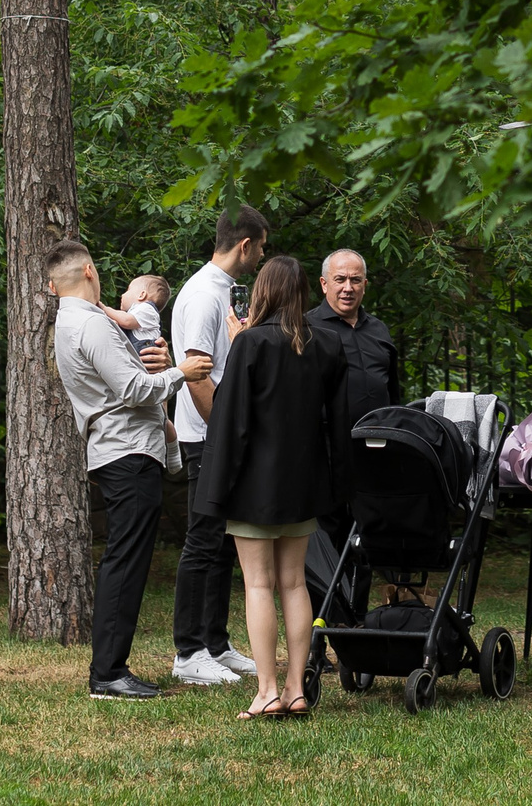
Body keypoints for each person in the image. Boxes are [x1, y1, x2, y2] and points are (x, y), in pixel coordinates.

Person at [46, 240, 212, 700]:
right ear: (90, 271)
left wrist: (160, 365)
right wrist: (182, 372)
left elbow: (129, 378)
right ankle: (108, 673)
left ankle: (110, 668)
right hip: (127, 450)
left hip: (119, 447)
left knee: (125, 558)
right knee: (125, 561)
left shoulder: (77, 321)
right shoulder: (90, 324)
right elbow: (135, 390)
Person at [194, 253, 352, 719]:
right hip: (303, 484)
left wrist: (215, 489)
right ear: (304, 292)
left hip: (254, 488)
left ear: (263, 291)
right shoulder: (327, 344)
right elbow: (337, 422)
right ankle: (296, 688)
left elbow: (231, 419)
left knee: (259, 584)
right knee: (295, 583)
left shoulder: (251, 343)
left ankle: (266, 691)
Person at [171, 207, 271, 687]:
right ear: (245, 245)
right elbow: (196, 375)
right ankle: (188, 652)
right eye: (262, 247)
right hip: (206, 436)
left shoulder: (222, 291)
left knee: (223, 544)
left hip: (221, 435)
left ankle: (215, 643)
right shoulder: (202, 295)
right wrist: (225, 433)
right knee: (202, 541)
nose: (262, 257)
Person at [303, 247, 400, 612]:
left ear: (365, 285)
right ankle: (325, 626)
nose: (348, 288)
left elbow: (393, 393)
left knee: (365, 542)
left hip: (375, 457)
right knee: (326, 545)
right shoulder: (307, 328)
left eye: (355, 280)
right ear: (324, 284)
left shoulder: (379, 330)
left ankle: (355, 625)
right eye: (340, 280)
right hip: (325, 456)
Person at [105, 273, 170, 356]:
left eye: (128, 290)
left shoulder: (147, 309)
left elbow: (126, 321)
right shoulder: (136, 314)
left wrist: (104, 308)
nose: (122, 295)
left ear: (142, 295)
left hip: (145, 356)